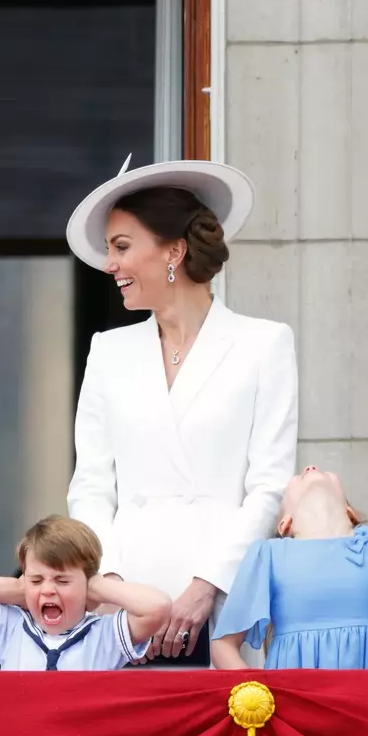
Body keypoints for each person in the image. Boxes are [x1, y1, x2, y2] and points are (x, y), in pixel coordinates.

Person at [64, 158, 298, 666]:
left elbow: (270, 486)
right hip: (124, 607)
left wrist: (207, 585)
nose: (111, 266)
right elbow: (91, 485)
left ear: (174, 250)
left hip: (224, 603)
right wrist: (113, 585)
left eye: (122, 247)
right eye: (109, 250)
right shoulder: (108, 351)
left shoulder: (264, 344)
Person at [210, 467, 368, 670]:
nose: (310, 468)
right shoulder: (268, 555)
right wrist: (258, 696)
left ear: (350, 513)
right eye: (297, 477)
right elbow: (223, 645)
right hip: (293, 702)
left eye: (326, 472)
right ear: (285, 524)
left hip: (367, 701)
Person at [0, 515, 171, 671]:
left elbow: (157, 607)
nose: (47, 590)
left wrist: (97, 587)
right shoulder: (11, 628)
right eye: (36, 580)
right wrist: (18, 589)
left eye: (62, 580)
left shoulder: (104, 635)